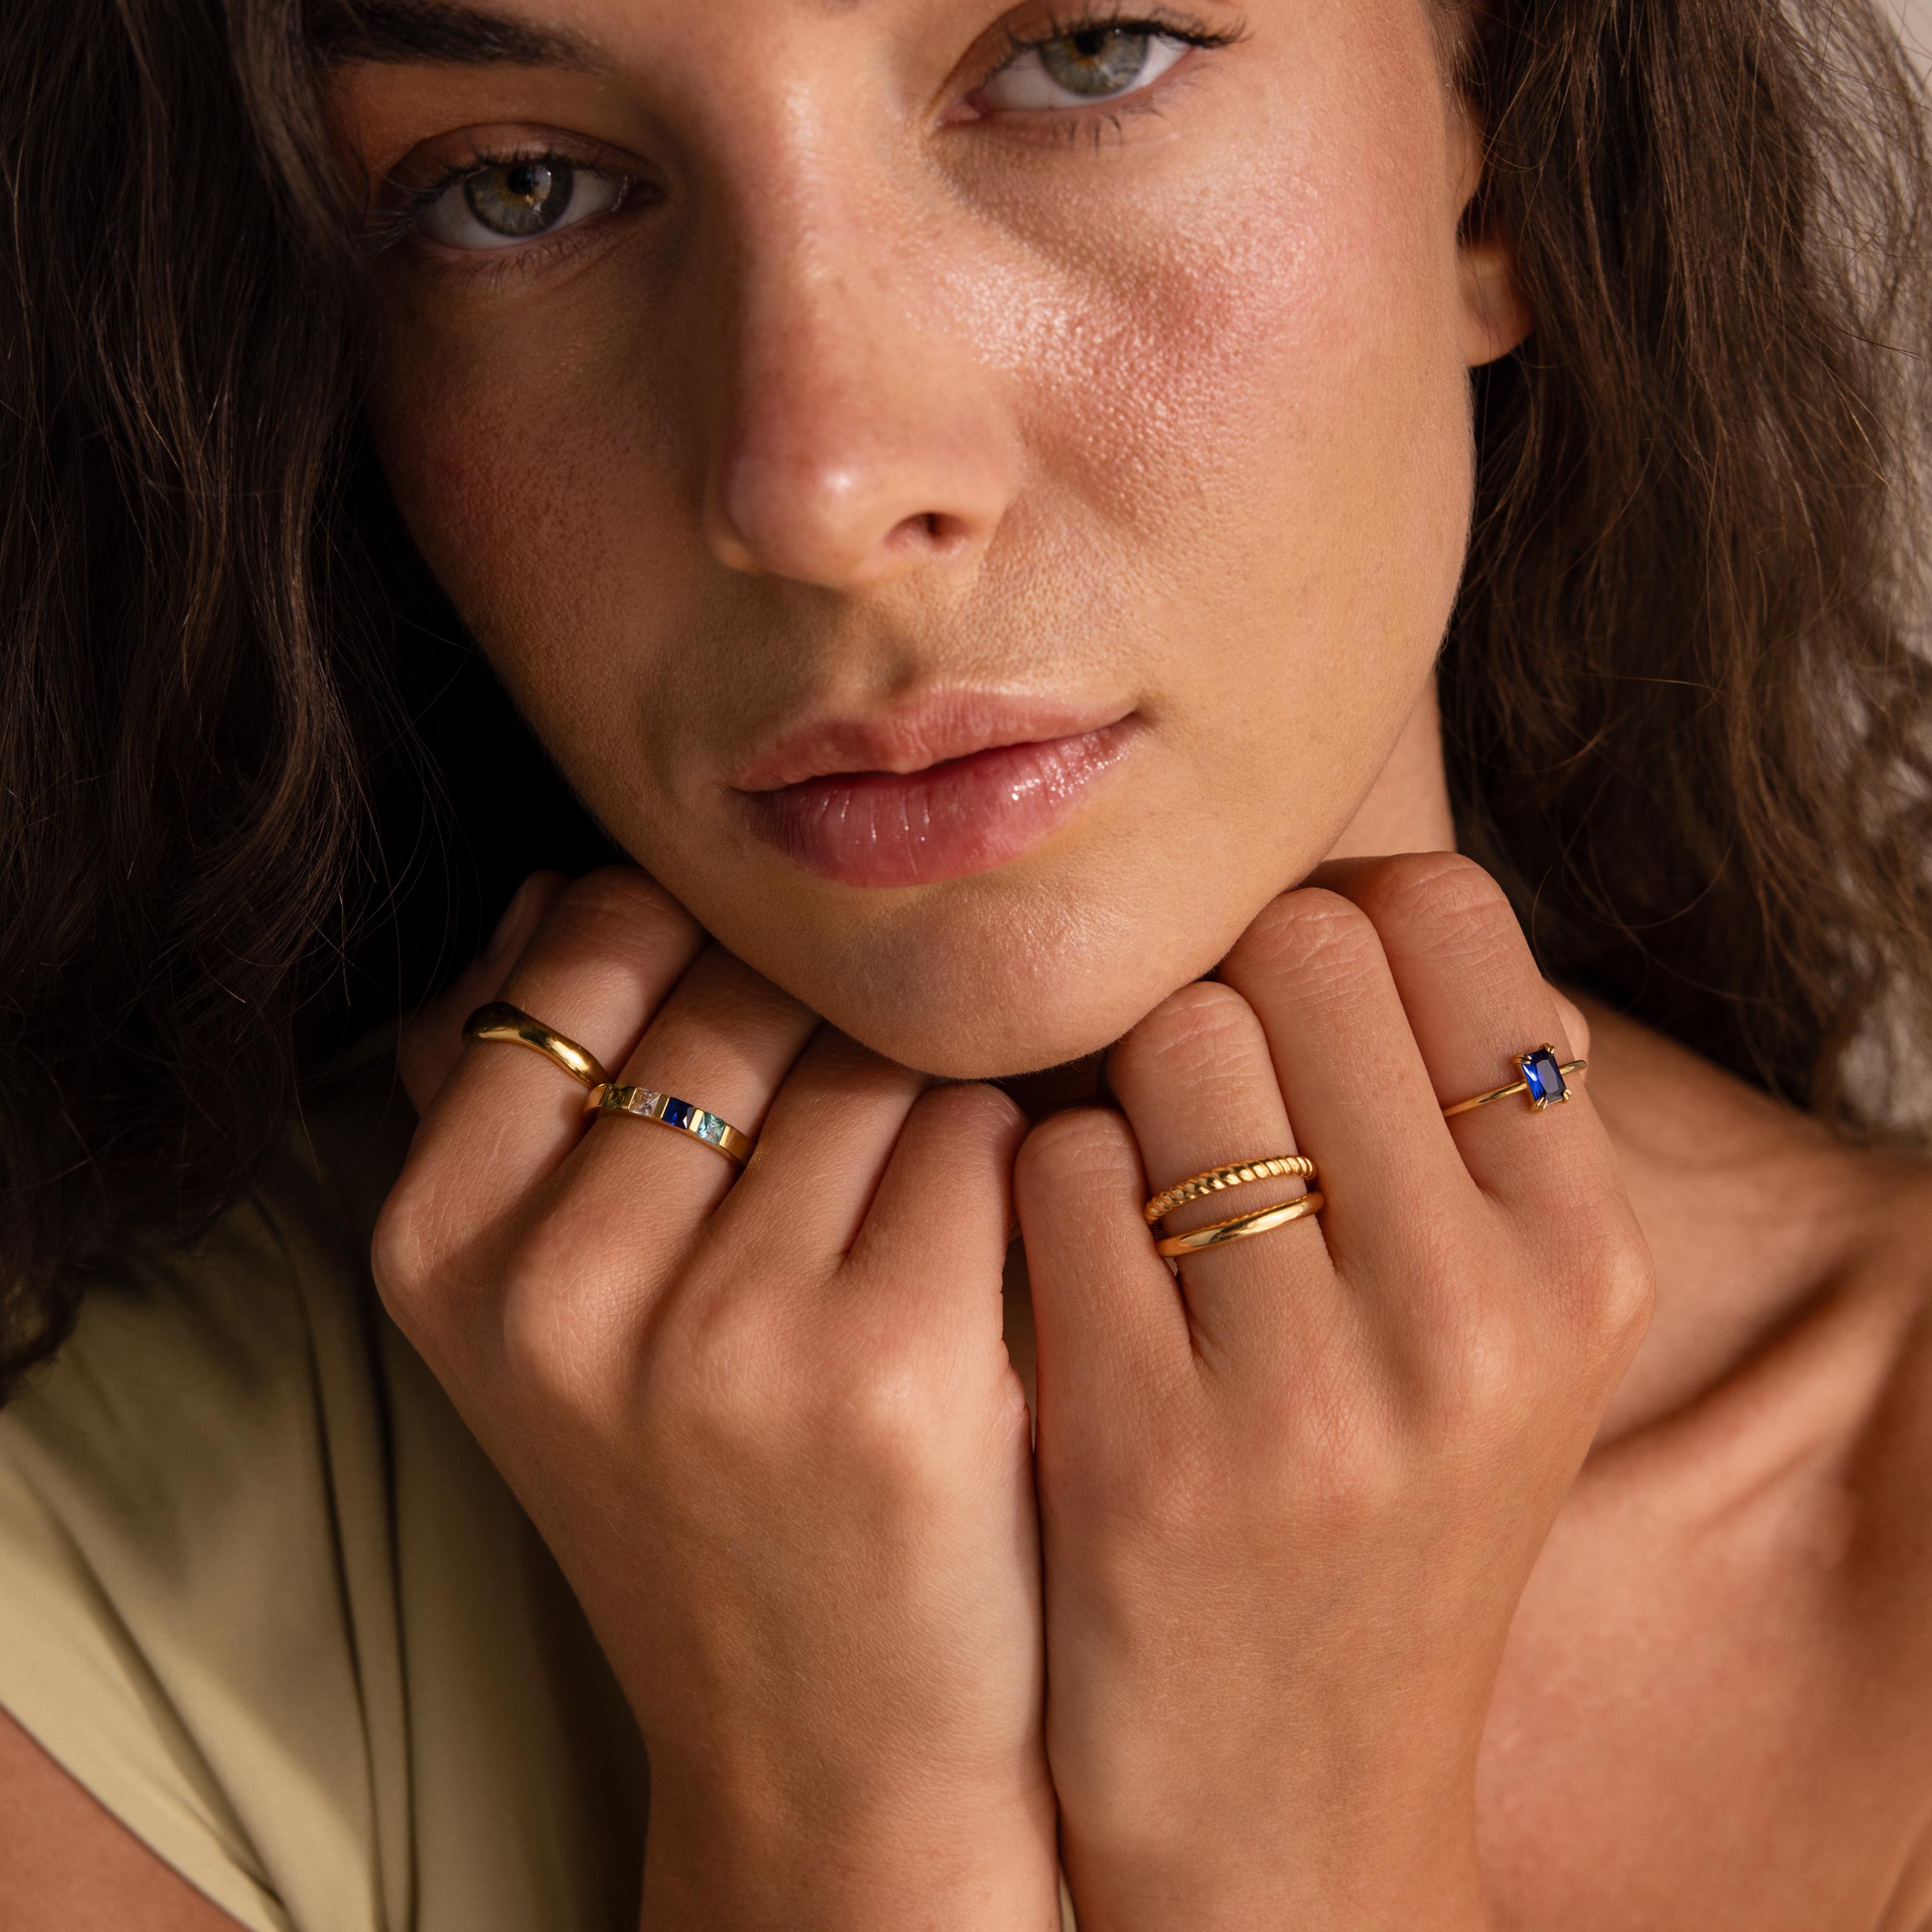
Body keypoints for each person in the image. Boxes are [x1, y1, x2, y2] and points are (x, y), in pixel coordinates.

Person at [4, 0, 1932, 1925]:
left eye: (1086, 58)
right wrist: (844, 1838)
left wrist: (1281, 1855)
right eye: (519, 188)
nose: (821, 489)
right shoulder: (69, 1601)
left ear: (1494, 151)